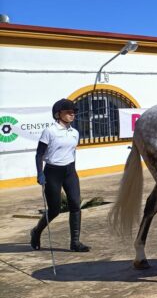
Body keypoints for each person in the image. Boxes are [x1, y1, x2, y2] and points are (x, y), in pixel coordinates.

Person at [30, 98, 91, 252]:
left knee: (75, 206)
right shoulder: (49, 131)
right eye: (68, 112)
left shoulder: (75, 133)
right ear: (58, 114)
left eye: (74, 112)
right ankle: (36, 232)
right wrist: (40, 174)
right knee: (54, 210)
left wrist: (73, 170)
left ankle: (75, 242)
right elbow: (39, 155)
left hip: (70, 172)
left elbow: (72, 153)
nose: (72, 114)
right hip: (52, 173)